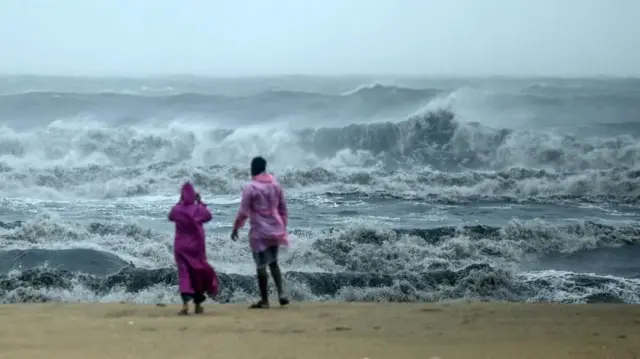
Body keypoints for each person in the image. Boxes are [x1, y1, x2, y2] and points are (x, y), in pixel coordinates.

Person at [231, 156, 290, 309]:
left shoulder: (250, 188)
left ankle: (264, 301)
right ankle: (281, 294)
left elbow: (243, 212)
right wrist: (282, 228)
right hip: (275, 229)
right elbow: (283, 210)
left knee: (261, 265)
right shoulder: (276, 185)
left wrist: (236, 227)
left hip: (259, 232)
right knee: (274, 263)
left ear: (252, 169)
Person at [169, 182, 218, 315]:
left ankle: (185, 304)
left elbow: (170, 216)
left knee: (184, 274)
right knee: (197, 274)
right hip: (197, 247)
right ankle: (197, 305)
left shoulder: (177, 209)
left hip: (181, 247)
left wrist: (180, 201)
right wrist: (200, 202)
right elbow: (209, 216)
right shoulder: (198, 209)